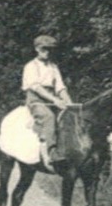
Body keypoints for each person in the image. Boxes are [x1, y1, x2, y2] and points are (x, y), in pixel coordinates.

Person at [23, 34, 76, 164]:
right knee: (49, 117)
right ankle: (51, 152)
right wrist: (55, 100)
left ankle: (72, 149)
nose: (47, 52)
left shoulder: (53, 66)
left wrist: (69, 103)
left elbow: (60, 87)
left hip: (53, 99)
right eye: (44, 49)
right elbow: (36, 87)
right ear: (37, 49)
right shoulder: (30, 66)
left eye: (50, 49)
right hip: (37, 101)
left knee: (72, 116)